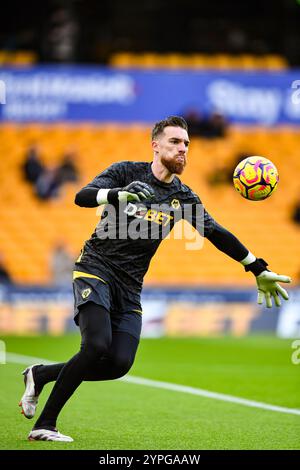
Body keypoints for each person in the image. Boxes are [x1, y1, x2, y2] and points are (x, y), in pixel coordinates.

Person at [19, 116, 291, 442]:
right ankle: (45, 424)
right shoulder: (126, 172)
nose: (183, 149)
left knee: (119, 363)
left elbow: (216, 233)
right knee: (95, 346)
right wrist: (116, 195)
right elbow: (82, 195)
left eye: (187, 144)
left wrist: (257, 268)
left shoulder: (182, 197)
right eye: (175, 142)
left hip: (130, 287)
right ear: (156, 145)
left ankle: (40, 374)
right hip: (95, 269)